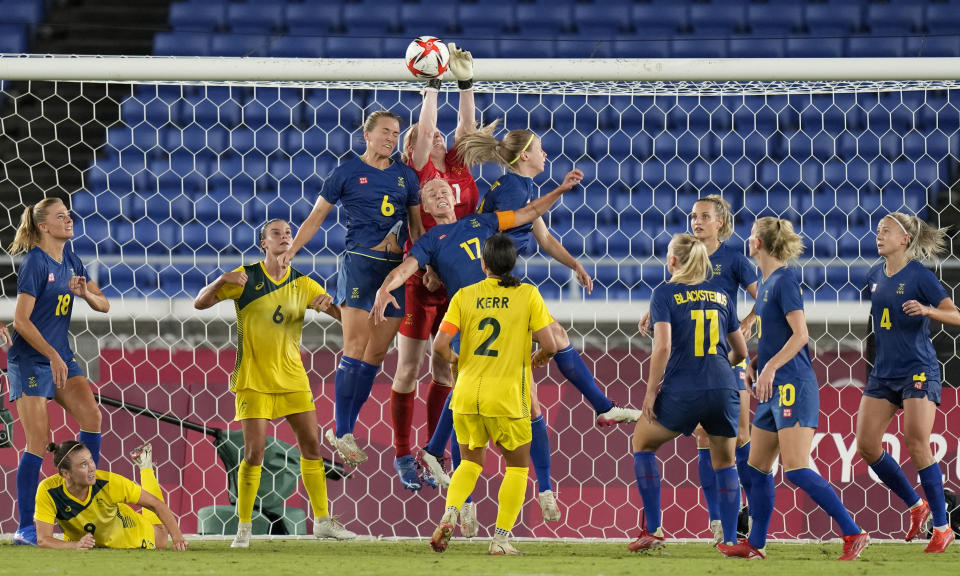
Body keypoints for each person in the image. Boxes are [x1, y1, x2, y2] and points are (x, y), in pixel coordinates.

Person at [418, 126, 641, 524]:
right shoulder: (513, 193)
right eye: (540, 149)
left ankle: (500, 486)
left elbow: (543, 235)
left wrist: (573, 264)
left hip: (496, 289)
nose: (545, 155)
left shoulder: (515, 187)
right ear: (525, 156)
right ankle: (483, 481)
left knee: (498, 382)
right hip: (493, 292)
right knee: (504, 374)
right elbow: (496, 232)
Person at [195, 219, 356, 546]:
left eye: (288, 234)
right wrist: (219, 282)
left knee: (311, 446)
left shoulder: (304, 284)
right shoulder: (244, 277)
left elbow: (343, 318)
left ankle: (323, 521)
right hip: (254, 380)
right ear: (263, 244)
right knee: (254, 453)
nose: (284, 237)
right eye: (276, 234)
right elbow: (200, 302)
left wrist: (334, 307)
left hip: (293, 379)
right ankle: (243, 527)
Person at [718, 217, 869, 561]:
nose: (748, 238)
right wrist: (758, 362)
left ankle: (853, 531)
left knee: (798, 467)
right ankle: (755, 544)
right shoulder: (766, 280)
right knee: (755, 469)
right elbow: (777, 335)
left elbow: (801, 335)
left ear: (760, 243)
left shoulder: (785, 280)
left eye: (752, 234)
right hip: (772, 387)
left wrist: (770, 366)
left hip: (794, 385)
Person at [280, 109, 424, 467]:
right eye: (387, 132)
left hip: (394, 273)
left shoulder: (406, 176)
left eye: (397, 133)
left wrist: (426, 266)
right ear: (368, 134)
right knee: (356, 347)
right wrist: (292, 251)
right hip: (360, 264)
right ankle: (342, 430)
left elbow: (418, 230)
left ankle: (347, 428)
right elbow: (316, 217)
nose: (392, 138)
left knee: (376, 354)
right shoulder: (346, 172)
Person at [428, 233, 558, 556]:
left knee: (469, 464)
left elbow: (440, 346)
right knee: (516, 468)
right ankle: (500, 538)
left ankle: (450, 514)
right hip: (508, 398)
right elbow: (551, 344)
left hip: (468, 395)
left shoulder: (464, 296)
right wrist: (538, 358)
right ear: (513, 263)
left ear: (483, 264)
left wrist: (458, 361)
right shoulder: (528, 295)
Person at [639, 195, 758, 544]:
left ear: (720, 221)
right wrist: (654, 314)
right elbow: (675, 295)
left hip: (723, 354)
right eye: (693, 216)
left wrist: (748, 319)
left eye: (704, 216)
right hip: (698, 357)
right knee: (708, 436)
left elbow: (764, 294)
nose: (696, 222)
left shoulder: (734, 259)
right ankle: (719, 518)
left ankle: (749, 506)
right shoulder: (690, 253)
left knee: (739, 433)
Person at [390, 43, 481, 492]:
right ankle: (403, 454)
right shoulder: (419, 167)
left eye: (434, 135)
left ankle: (437, 449)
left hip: (459, 282)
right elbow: (425, 132)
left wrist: (465, 84)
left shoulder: (460, 165)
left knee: (446, 370)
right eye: (422, 138)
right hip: (423, 280)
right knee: (408, 368)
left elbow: (466, 126)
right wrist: (432, 86)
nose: (433, 137)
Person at [6, 198, 108, 546]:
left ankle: (83, 501)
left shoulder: (71, 259)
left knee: (92, 416)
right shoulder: (35, 263)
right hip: (31, 359)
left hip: (59, 356)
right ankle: (26, 527)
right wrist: (51, 355)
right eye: (60, 216)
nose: (69, 219)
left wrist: (87, 295)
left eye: (69, 213)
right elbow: (21, 320)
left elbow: (104, 303)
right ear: (44, 227)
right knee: (39, 441)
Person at [856, 212, 959, 553]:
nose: (878, 234)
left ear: (905, 240)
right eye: (877, 229)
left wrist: (929, 311)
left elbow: (955, 314)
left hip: (918, 370)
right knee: (866, 446)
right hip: (884, 373)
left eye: (886, 230)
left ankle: (942, 528)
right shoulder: (874, 275)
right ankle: (916, 505)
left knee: (916, 442)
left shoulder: (920, 276)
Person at [35, 441, 187, 550]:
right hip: (98, 524)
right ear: (65, 473)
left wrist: (178, 537)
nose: (92, 468)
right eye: (83, 464)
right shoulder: (48, 491)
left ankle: (145, 466)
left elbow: (155, 504)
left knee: (160, 538)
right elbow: (43, 540)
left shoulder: (108, 482)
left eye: (91, 460)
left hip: (126, 530)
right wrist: (74, 545)